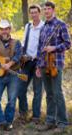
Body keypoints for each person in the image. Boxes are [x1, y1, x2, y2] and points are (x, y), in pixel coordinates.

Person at [36, 1, 71, 133]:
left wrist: (54, 47)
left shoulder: (60, 24)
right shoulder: (43, 27)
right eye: (45, 9)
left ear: (53, 10)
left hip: (56, 64)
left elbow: (68, 43)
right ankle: (50, 121)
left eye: (48, 9)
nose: (46, 11)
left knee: (57, 93)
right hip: (44, 65)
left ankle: (62, 123)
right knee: (49, 94)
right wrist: (38, 66)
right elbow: (40, 48)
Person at [17, 4, 44, 124]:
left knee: (37, 90)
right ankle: (23, 114)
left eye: (35, 12)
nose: (33, 14)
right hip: (26, 63)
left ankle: (36, 117)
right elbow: (24, 42)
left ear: (39, 13)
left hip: (39, 63)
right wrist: (22, 53)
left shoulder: (44, 26)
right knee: (20, 88)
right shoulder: (28, 26)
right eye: (31, 12)